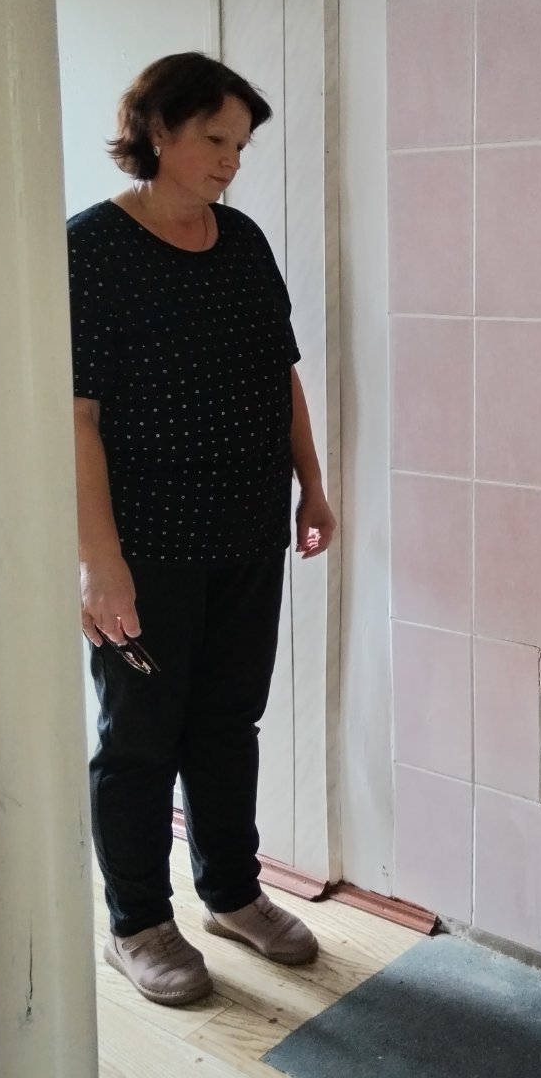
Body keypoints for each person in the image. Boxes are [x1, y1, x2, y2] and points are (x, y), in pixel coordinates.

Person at [70, 52, 336, 1007]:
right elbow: (75, 416)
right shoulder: (92, 248)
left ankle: (231, 893)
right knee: (140, 738)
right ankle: (137, 922)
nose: (232, 159)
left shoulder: (244, 241)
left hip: (247, 532)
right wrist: (100, 560)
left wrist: (312, 485)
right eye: (216, 138)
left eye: (242, 144)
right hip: (145, 544)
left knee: (228, 723)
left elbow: (280, 372)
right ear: (158, 131)